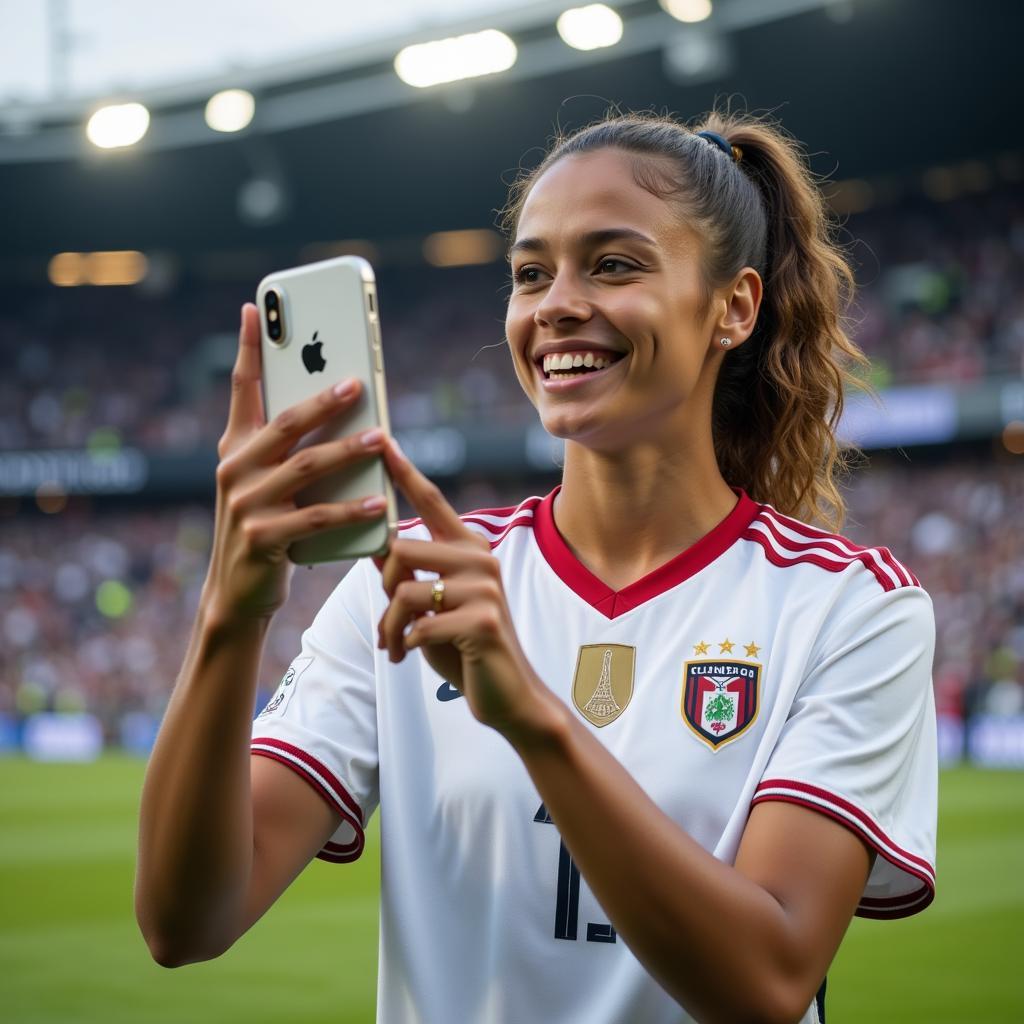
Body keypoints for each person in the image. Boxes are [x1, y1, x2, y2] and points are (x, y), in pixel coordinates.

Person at [135, 110, 937, 1024]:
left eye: (614, 263)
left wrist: (532, 716)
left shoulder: (850, 608)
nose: (555, 301)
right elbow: (183, 922)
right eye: (529, 272)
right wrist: (229, 613)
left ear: (734, 307)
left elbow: (768, 981)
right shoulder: (408, 585)